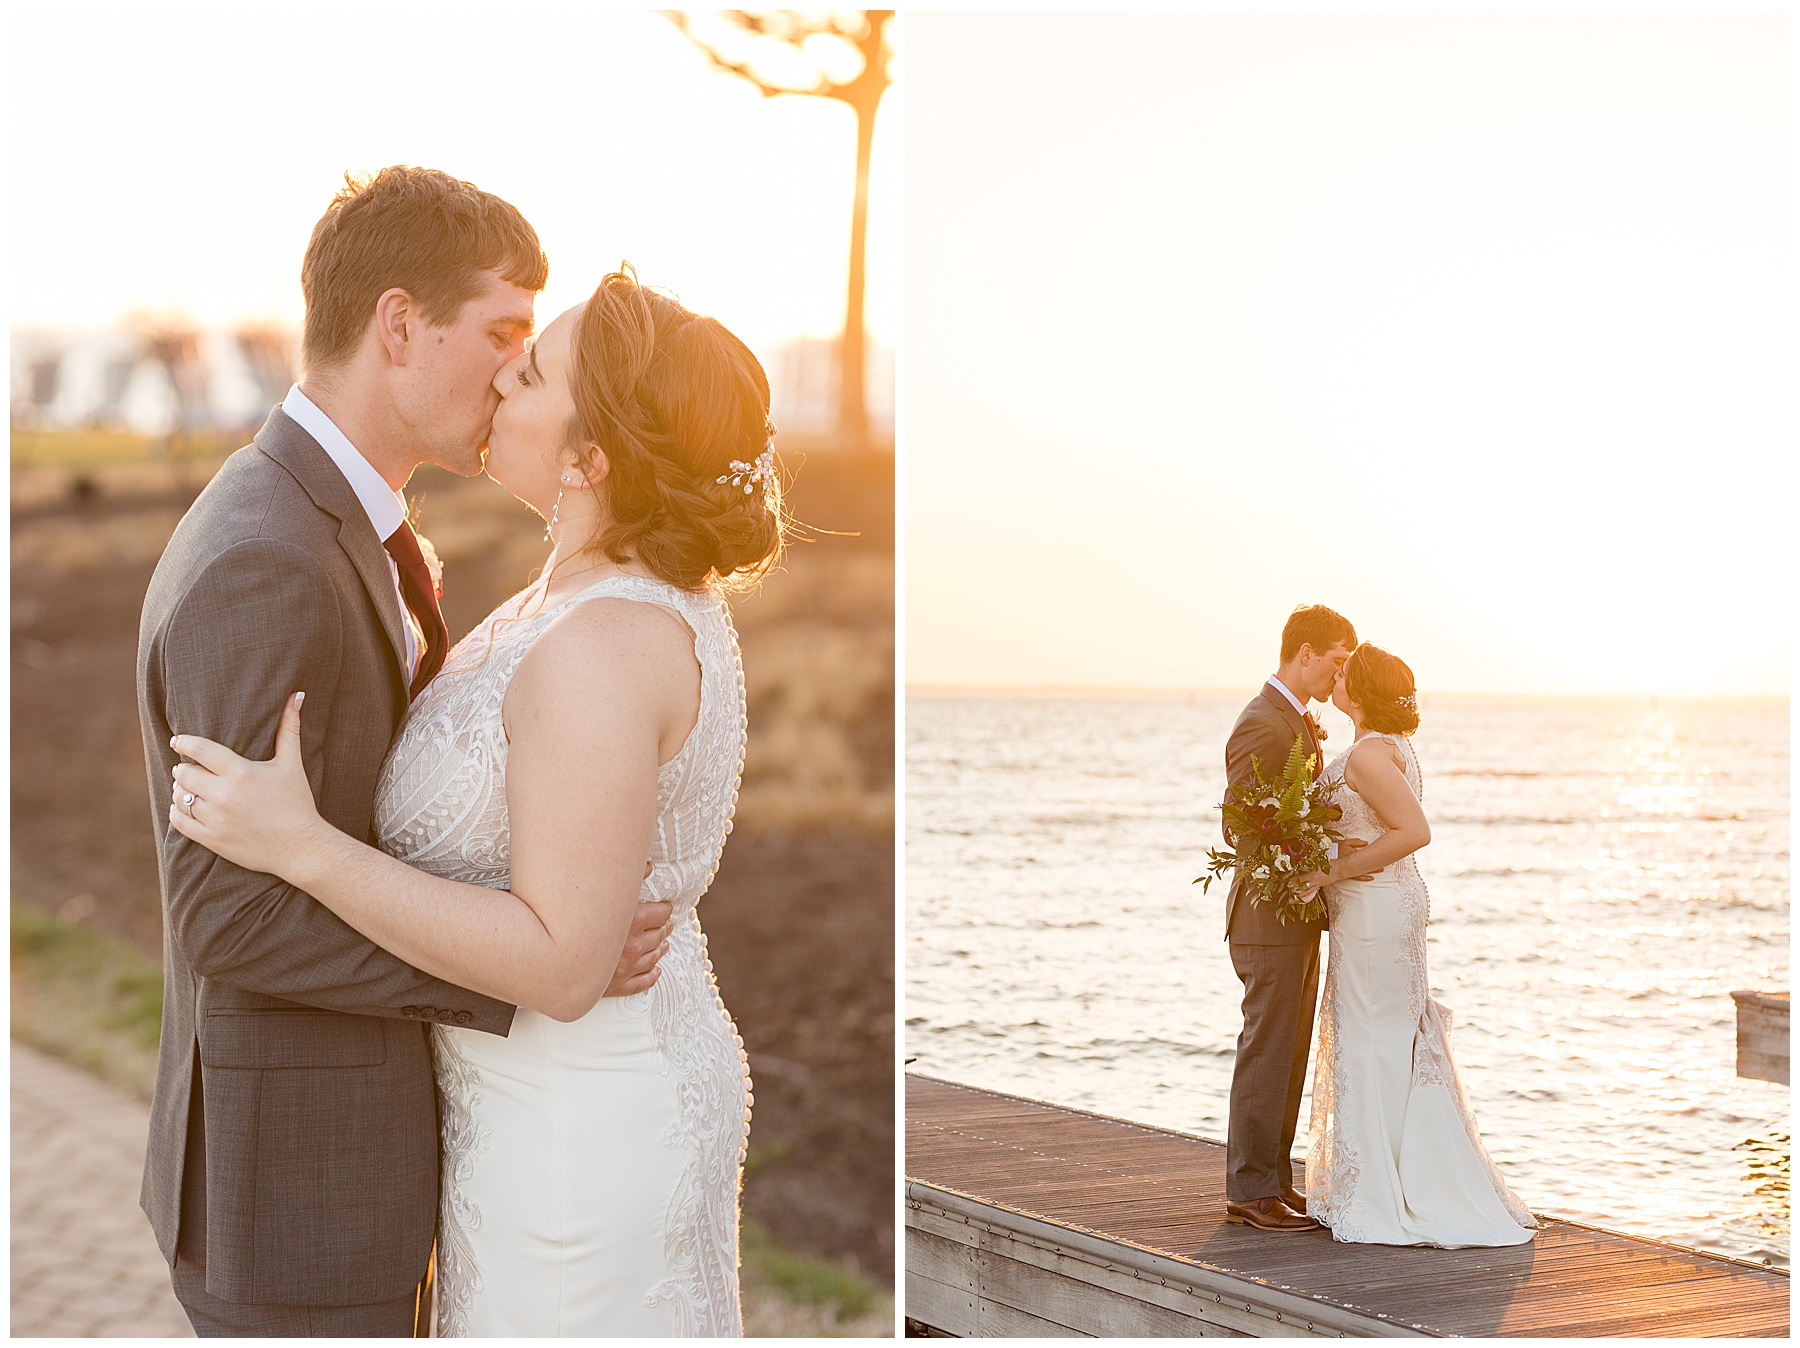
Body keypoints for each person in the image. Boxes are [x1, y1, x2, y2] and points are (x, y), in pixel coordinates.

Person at [165, 264, 783, 1334]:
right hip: (529, 1109)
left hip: (577, 1132)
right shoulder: (578, 596)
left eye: (532, 369)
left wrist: (303, 847)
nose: (502, 378)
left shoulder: (599, 645)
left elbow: (559, 961)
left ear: (590, 457)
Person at [1297, 644, 1536, 1246]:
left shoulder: (1369, 755)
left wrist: (1329, 873)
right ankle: (1391, 1175)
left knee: (1373, 1036)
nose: (1337, 675)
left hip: (1376, 908)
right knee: (1384, 1035)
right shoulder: (1388, 749)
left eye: (1347, 672)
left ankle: (1384, 1189)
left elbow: (1414, 832)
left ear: (1363, 690)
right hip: (1380, 906)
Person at [1220, 603, 1365, 1232]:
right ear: (1304, 653)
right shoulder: (1262, 722)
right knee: (1268, 1048)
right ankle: (1250, 1190)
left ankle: (1273, 1183)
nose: (1339, 678)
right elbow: (1244, 824)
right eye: (1335, 663)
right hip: (1266, 917)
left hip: (1294, 914)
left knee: (1289, 1051)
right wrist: (1330, 853)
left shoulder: (1295, 720)